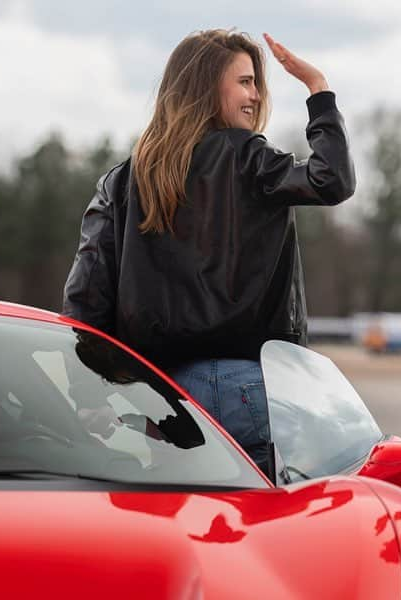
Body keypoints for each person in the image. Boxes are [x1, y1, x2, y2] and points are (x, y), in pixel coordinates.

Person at [63, 29, 355, 474]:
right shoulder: (250, 159)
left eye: (256, 83)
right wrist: (318, 90)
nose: (256, 95)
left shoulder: (123, 180)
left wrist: (89, 396)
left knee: (174, 530)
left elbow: (86, 299)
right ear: (204, 87)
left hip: (161, 394)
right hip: (250, 386)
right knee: (250, 533)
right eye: (244, 82)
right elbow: (331, 178)